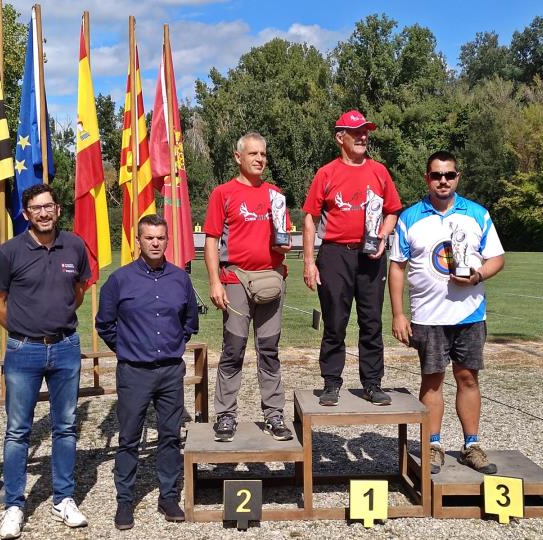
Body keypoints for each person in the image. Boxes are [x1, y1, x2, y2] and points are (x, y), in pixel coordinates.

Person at [388, 150, 505, 475]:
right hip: (427, 316)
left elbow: (497, 258)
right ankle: (434, 445)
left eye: (449, 175)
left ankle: (471, 445)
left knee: (468, 378)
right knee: (433, 380)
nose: (443, 180)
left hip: (469, 316)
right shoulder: (410, 217)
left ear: (458, 177)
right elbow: (396, 267)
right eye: (436, 175)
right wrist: (398, 314)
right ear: (427, 178)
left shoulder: (477, 214)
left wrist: (478, 275)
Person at [0, 184, 91, 539]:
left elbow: (79, 291)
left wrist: (56, 320)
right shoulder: (9, 252)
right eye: (36, 208)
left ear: (58, 209)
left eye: (48, 207)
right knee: (18, 431)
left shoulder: (75, 246)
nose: (43, 213)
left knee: (65, 427)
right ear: (26, 213)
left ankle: (63, 499)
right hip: (23, 352)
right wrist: (23, 330)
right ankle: (14, 505)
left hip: (65, 349)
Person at [96, 214, 199, 528]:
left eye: (160, 238)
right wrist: (128, 348)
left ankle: (168, 496)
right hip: (134, 373)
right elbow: (105, 325)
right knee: (128, 439)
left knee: (170, 437)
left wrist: (171, 346)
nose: (155, 243)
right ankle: (124, 501)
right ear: (137, 241)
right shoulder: (119, 280)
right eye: (149, 238)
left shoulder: (180, 279)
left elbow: (189, 323)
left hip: (170, 372)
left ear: (167, 240)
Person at [302, 110, 402, 406]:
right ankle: (331, 383)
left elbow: (392, 211)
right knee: (335, 321)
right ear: (340, 137)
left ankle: (372, 383)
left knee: (371, 320)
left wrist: (383, 234)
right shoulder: (326, 173)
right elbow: (310, 218)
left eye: (365, 131)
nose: (363, 136)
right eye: (356, 131)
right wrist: (309, 262)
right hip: (335, 254)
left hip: (371, 254)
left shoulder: (379, 171)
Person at [203, 131, 293, 443]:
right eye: (253, 154)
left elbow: (285, 242)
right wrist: (215, 281)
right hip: (235, 281)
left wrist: (284, 247)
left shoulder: (275, 195)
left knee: (269, 350)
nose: (259, 159)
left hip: (270, 280)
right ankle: (226, 416)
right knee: (233, 350)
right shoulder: (223, 193)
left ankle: (274, 413)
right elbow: (211, 240)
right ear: (238, 157)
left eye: (263, 155)